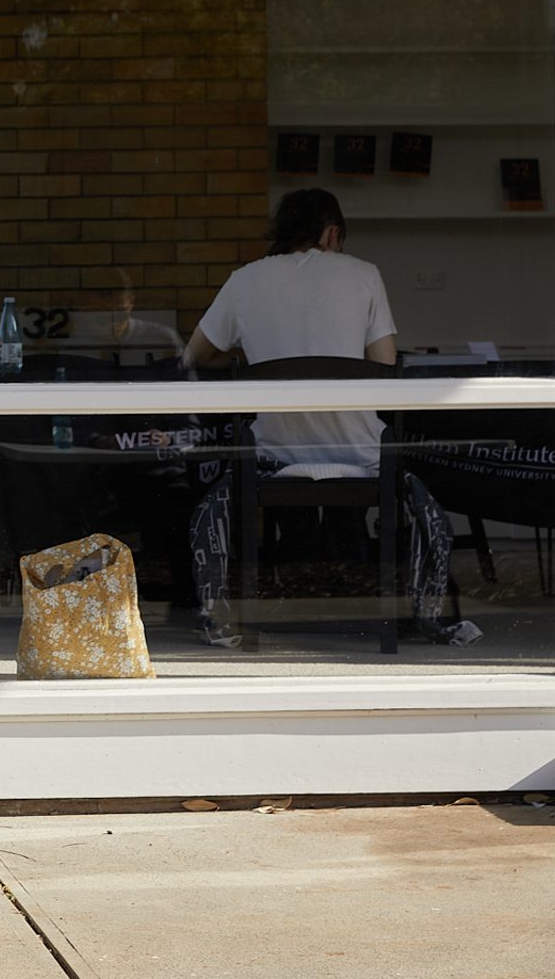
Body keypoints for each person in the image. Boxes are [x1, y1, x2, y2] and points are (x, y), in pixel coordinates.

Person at [181, 189, 479, 648]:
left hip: (276, 456)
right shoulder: (364, 275)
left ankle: (287, 603)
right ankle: (356, 604)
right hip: (359, 457)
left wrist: (249, 360)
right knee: (350, 515)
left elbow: (192, 357)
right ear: (332, 233)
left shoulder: (244, 280)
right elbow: (384, 366)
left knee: (290, 515)